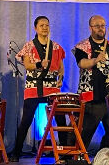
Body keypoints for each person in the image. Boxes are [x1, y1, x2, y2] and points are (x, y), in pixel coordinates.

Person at [10, 16, 67, 162]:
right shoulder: (29, 46)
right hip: (34, 86)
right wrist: (39, 64)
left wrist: (60, 78)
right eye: (41, 25)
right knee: (26, 120)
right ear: (35, 28)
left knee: (60, 119)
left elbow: (60, 67)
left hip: (52, 87)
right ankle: (16, 151)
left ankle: (66, 151)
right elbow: (27, 65)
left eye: (47, 25)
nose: (45, 28)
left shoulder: (56, 47)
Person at [73, 15, 109, 150]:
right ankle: (77, 156)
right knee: (85, 132)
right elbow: (81, 63)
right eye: (97, 26)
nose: (101, 28)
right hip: (91, 96)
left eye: (103, 25)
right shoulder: (82, 46)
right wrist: (95, 60)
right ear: (90, 28)